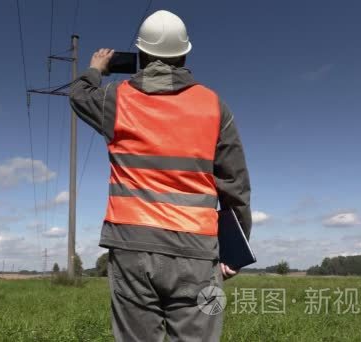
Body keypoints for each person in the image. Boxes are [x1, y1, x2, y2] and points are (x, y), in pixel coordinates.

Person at [69, 9, 251, 342]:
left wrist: (96, 69)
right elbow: (234, 185)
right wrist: (237, 250)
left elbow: (79, 95)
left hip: (131, 247)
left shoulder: (116, 97)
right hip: (196, 249)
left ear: (141, 54)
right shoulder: (213, 105)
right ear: (183, 54)